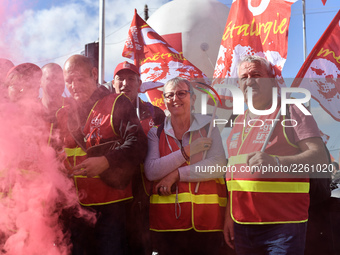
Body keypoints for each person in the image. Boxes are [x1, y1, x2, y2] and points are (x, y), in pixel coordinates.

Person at [224, 55, 329, 255]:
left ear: (272, 81)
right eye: (244, 77)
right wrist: (229, 215)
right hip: (242, 224)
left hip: (283, 227)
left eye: (256, 74)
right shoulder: (238, 121)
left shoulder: (291, 109)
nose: (249, 80)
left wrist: (276, 162)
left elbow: (319, 160)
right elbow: (233, 175)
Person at [59, 54, 148, 255]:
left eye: (79, 79)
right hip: (76, 211)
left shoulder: (117, 102)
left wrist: (106, 161)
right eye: (68, 81)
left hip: (113, 210)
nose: (73, 86)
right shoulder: (63, 113)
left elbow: (139, 144)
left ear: (93, 74)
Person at [144, 77, 227, 255]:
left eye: (182, 93)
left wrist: (176, 174)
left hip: (208, 222)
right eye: (170, 95)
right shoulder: (155, 132)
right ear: (164, 100)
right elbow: (151, 171)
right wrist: (186, 151)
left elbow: (218, 165)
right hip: (167, 224)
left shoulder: (209, 126)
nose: (175, 98)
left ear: (194, 99)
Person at [112, 61, 165, 255]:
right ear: (113, 83)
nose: (125, 83)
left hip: (145, 193)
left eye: (131, 79)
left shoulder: (155, 113)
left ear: (139, 84)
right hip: (113, 192)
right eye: (120, 78)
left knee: (143, 245)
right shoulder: (102, 112)